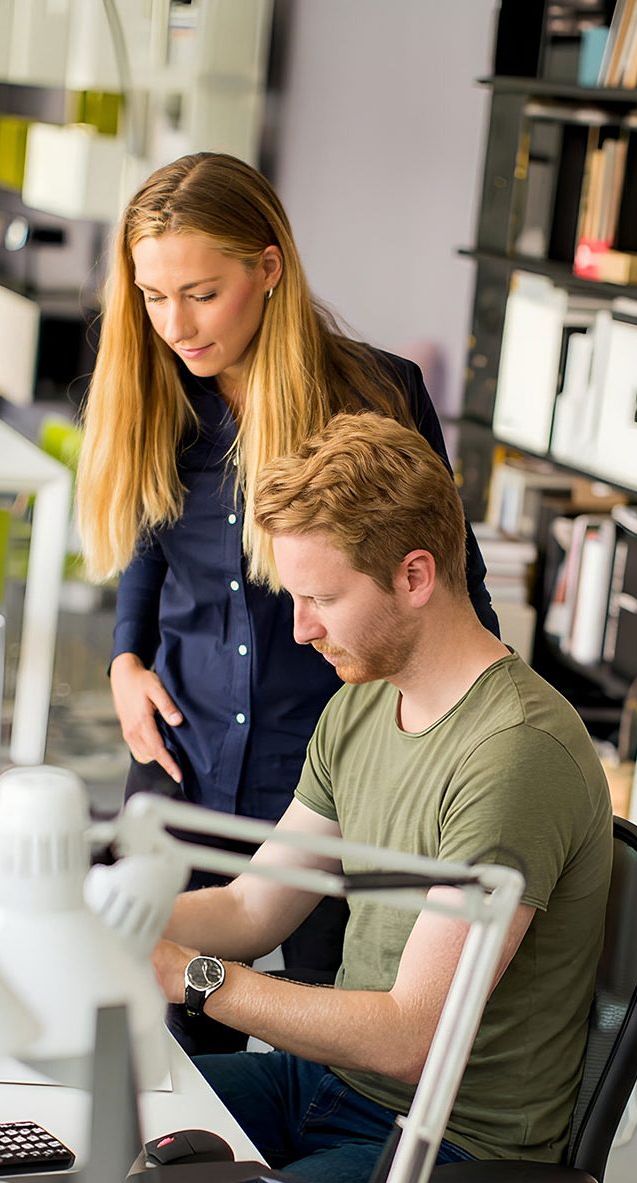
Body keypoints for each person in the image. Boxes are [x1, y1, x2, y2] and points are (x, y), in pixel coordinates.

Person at [149, 413, 612, 1183]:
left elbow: (411, 1038)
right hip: (330, 1086)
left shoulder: (515, 755)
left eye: (322, 600)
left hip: (452, 1146)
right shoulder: (361, 702)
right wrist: (115, 915)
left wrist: (191, 976)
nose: (301, 629)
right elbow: (252, 909)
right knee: (105, 1129)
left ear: (414, 576)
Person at [77, 154, 498, 1049]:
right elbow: (149, 534)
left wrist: (479, 740)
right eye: (153, 298)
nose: (175, 325)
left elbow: (449, 576)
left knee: (331, 1033)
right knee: (164, 1032)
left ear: (268, 268)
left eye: (201, 294)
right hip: (184, 753)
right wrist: (125, 658)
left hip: (326, 773)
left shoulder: (376, 396)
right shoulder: (157, 391)